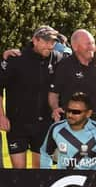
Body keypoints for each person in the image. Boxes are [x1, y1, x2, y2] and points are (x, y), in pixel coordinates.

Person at [0, 26, 66, 168]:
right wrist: (1, 116)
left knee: (40, 173)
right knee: (19, 172)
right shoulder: (15, 59)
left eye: (53, 42)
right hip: (17, 124)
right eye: (46, 41)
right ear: (35, 40)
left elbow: (77, 59)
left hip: (44, 125)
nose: (50, 46)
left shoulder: (58, 58)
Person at [40, 92, 96, 170]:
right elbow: (45, 153)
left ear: (88, 113)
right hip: (64, 180)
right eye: (68, 110)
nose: (70, 115)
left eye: (76, 112)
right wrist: (46, 173)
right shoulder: (56, 128)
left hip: (93, 180)